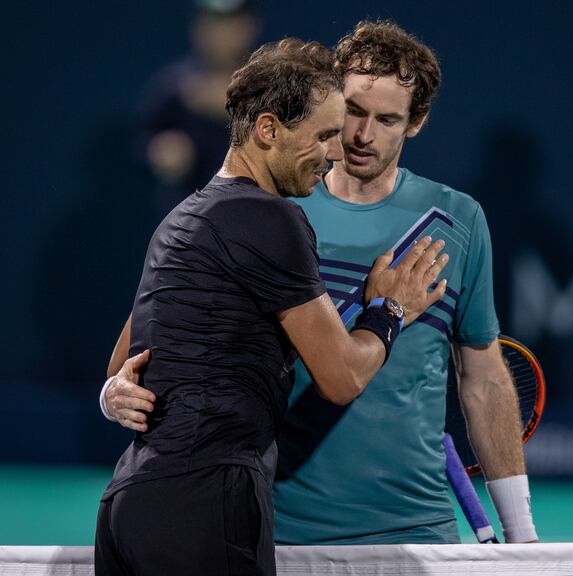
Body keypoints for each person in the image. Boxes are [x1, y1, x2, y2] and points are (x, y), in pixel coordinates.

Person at [102, 20, 538, 546]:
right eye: (351, 113)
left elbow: (484, 380)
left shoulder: (459, 220)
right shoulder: (264, 211)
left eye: (386, 120)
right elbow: (143, 345)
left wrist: (522, 535)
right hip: (276, 527)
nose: (360, 136)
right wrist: (114, 392)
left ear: (416, 122)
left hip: (417, 529)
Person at [137, 0, 262, 217]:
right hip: (191, 223)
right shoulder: (172, 87)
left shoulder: (271, 82)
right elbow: (148, 141)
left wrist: (234, 106)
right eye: (211, 23)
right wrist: (163, 152)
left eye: (229, 24)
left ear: (249, 26)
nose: (219, 34)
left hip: (257, 217)